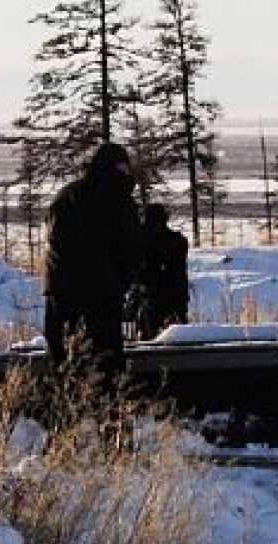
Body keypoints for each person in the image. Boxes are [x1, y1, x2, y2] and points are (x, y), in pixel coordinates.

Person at [42, 143, 140, 383]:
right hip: (102, 296)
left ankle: (69, 412)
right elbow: (131, 248)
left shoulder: (66, 196)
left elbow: (55, 244)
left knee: (66, 362)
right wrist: (120, 282)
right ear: (118, 167)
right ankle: (104, 414)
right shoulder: (118, 199)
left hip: (61, 293)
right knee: (106, 364)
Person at [135, 203, 191, 340]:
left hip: (153, 298)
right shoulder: (178, 241)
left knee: (150, 339)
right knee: (178, 338)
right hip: (175, 297)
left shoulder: (144, 242)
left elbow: (141, 271)